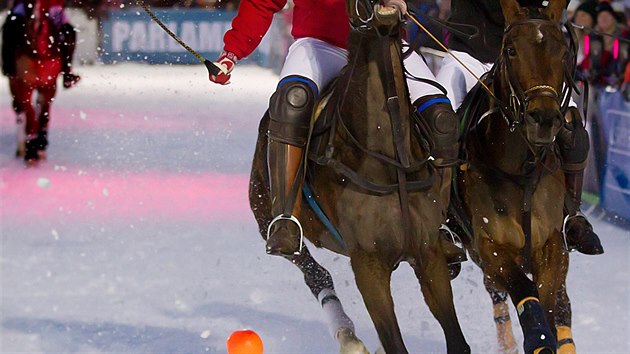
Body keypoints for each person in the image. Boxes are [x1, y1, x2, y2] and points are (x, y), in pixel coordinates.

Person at [208, 0, 461, 257]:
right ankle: (286, 219)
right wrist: (233, 52)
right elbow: (261, 3)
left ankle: (440, 222)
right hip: (320, 44)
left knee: (441, 116)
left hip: (385, 42)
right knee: (291, 100)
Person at [436, 0, 604, 255]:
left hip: (531, 58)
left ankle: (572, 216)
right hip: (471, 52)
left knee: (572, 129)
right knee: (441, 121)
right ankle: (441, 218)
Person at [1, 0, 81, 88]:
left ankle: (67, 71)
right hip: (26, 4)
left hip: (52, 5)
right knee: (10, 26)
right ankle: (9, 68)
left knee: (69, 32)